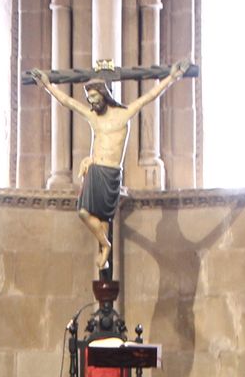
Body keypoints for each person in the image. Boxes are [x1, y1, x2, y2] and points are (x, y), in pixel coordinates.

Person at [29, 60, 191, 275]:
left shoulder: (123, 114)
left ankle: (105, 253)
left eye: (95, 98)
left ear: (104, 95)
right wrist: (47, 86)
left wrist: (172, 77)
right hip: (95, 169)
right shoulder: (93, 117)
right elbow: (68, 102)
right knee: (83, 212)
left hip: (112, 173)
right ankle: (106, 245)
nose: (92, 102)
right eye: (90, 99)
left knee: (104, 218)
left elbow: (150, 96)